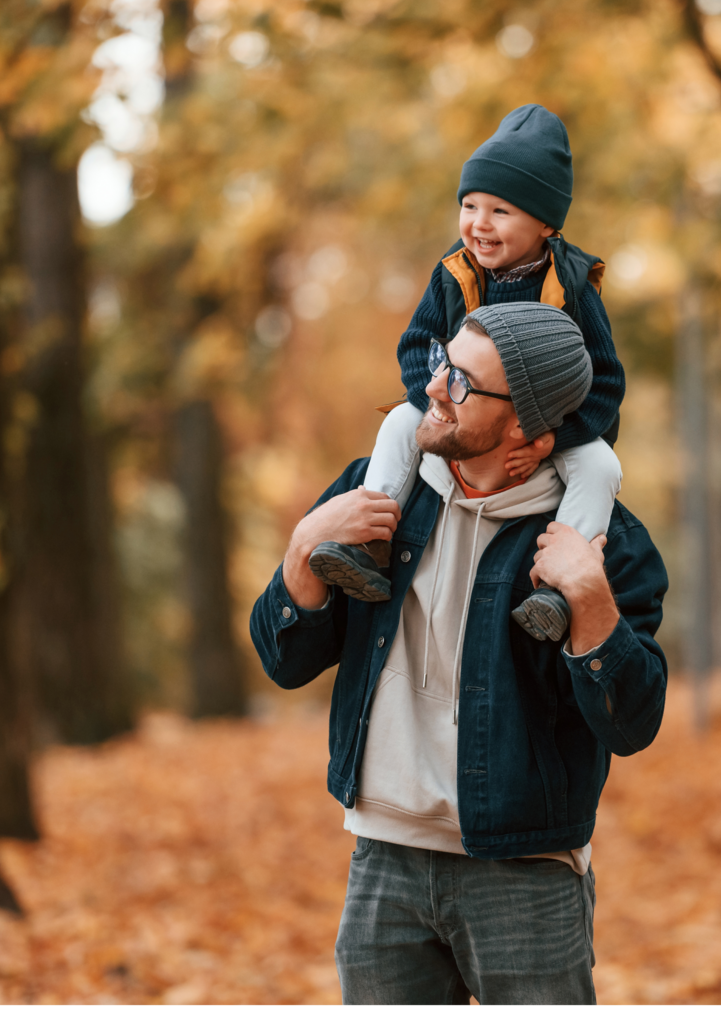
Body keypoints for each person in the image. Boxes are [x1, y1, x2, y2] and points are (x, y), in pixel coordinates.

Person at [249, 303, 668, 1005]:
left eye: (464, 384)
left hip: (525, 874)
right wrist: (302, 549)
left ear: (530, 435)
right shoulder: (382, 495)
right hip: (384, 865)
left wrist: (592, 606)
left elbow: (633, 723)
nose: (435, 386)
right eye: (445, 362)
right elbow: (284, 661)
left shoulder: (606, 544)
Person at [305, 103, 625, 644]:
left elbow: (606, 383)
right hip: (453, 403)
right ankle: (371, 541)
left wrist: (552, 439)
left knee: (599, 467)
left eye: (501, 211)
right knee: (397, 426)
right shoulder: (454, 271)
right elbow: (415, 346)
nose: (479, 223)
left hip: (543, 429)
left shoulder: (569, 285)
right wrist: (436, 403)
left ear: (546, 222)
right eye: (470, 205)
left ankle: (558, 583)